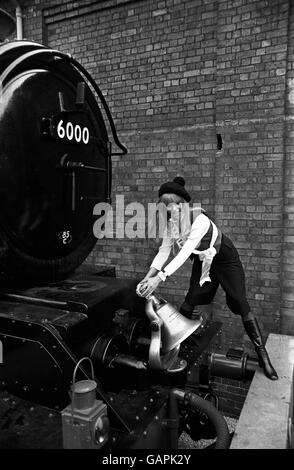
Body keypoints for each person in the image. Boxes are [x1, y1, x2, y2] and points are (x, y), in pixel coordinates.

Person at [137, 176, 278, 380]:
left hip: (225, 258)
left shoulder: (200, 221)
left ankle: (263, 356)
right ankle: (178, 344)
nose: (171, 212)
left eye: (174, 207)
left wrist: (159, 278)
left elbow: (184, 253)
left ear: (183, 205)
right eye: (166, 209)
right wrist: (147, 277)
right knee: (191, 298)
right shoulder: (171, 225)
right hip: (205, 261)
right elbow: (164, 251)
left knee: (239, 301)